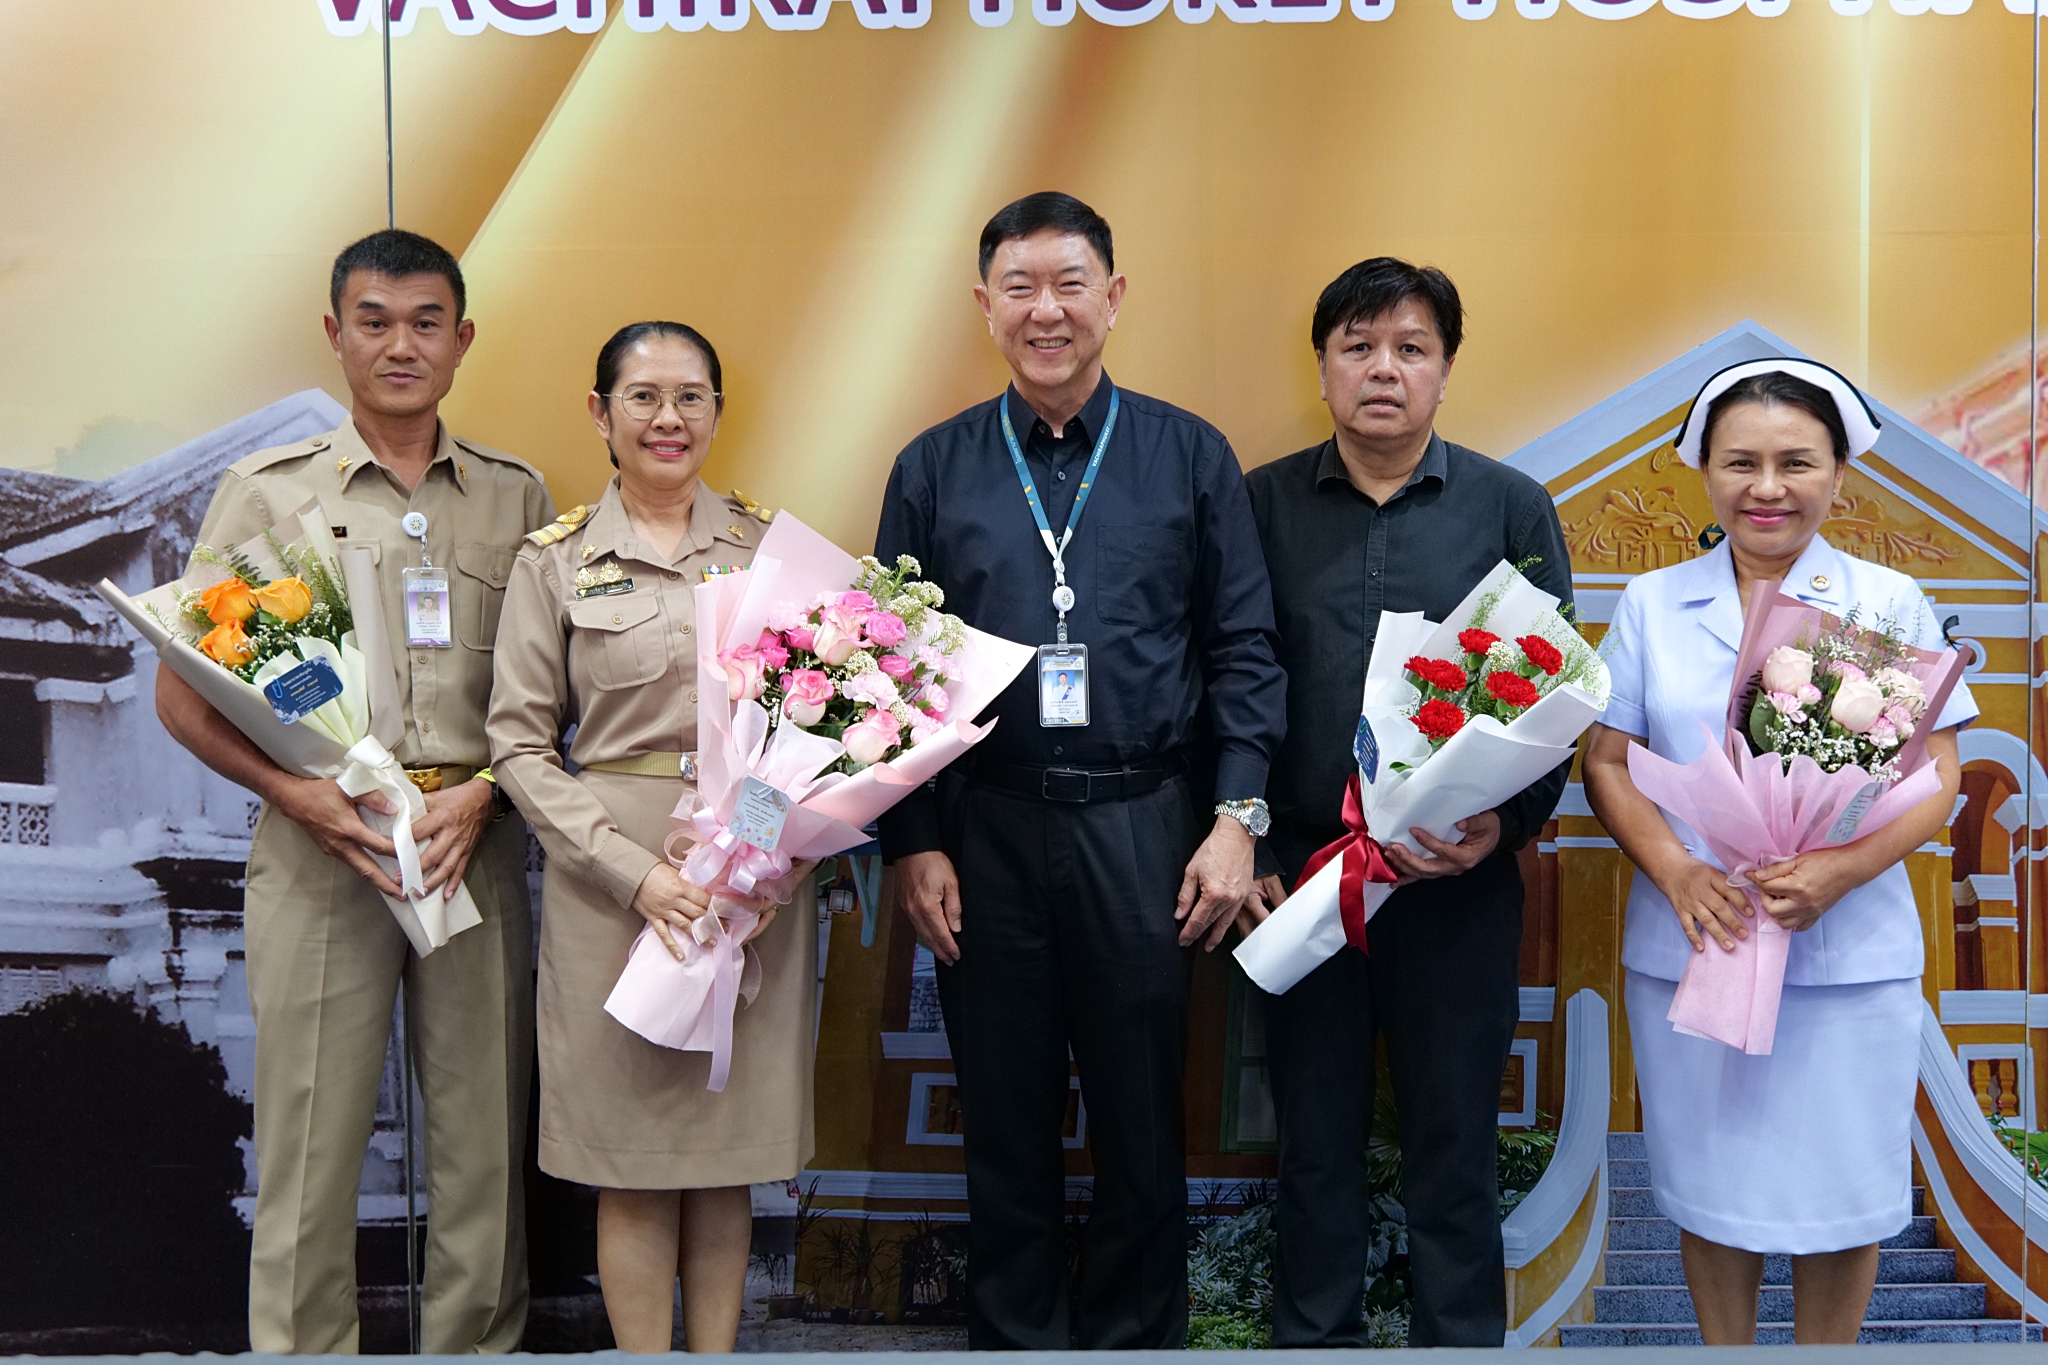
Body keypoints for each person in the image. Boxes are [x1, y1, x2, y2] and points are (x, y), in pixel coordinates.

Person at [874, 191, 1287, 1350]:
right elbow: (888, 668)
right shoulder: (933, 466)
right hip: (986, 828)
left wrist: (1236, 820)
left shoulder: (1188, 455)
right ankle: (1014, 1340)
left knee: (1141, 1122)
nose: (1044, 311)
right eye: (1019, 287)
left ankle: (1131, 1343)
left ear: (1113, 296)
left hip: (1145, 826)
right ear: (984, 305)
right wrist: (911, 842)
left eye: (1068, 284)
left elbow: (1244, 650)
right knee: (1002, 1121)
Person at [155, 229, 551, 1353]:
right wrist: (299, 797)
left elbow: (552, 692)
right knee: (310, 1138)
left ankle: (472, 1347)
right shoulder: (267, 493)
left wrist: (488, 794)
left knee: (484, 1142)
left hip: (469, 844)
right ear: (335, 334)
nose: (400, 345)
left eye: (426, 323)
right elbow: (183, 695)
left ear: (462, 340)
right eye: (374, 321)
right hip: (322, 849)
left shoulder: (515, 497)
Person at [1582, 361, 1973, 1345]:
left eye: (1795, 462)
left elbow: (1939, 774)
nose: (1767, 487)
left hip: (1849, 959)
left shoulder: (1885, 601)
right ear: (1704, 472)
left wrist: (1840, 870)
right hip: (1698, 944)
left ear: (1838, 472)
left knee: (1842, 1194)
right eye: (1740, 462)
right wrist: (1675, 870)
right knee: (1710, 1191)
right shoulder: (1651, 602)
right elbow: (1607, 761)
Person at [1239, 257, 1573, 1348]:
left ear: (1444, 368)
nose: (1383, 369)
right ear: (1323, 366)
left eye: (1410, 348)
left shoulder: (1509, 507)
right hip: (1304, 878)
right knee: (1312, 1148)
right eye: (1358, 347)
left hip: (1453, 883)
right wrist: (1246, 839)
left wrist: (1501, 828)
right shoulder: (1256, 505)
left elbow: (1557, 692)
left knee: (1454, 1149)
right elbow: (1226, 681)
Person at [487, 322, 814, 1353]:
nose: (668, 418)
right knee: (629, 1159)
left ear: (717, 410)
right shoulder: (555, 562)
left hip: (748, 884)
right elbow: (520, 746)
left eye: (690, 397)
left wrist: (753, 865)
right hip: (609, 888)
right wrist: (636, 877)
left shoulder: (770, 552)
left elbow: (821, 728)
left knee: (722, 1155)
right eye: (643, 397)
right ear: (601, 413)